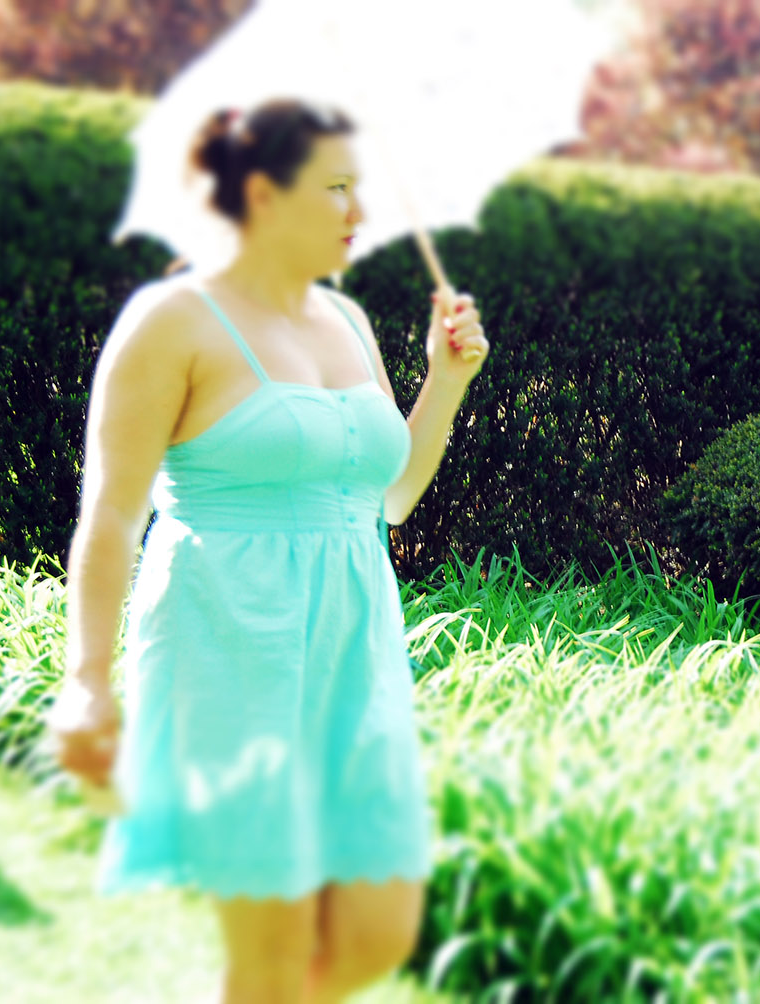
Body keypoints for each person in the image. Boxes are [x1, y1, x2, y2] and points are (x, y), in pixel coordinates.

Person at [43, 99, 489, 1003]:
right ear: (261, 194)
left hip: (353, 648)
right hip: (232, 647)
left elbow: (389, 500)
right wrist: (87, 679)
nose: (359, 212)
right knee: (271, 956)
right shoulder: (172, 321)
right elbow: (110, 516)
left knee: (376, 933)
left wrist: (446, 384)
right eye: (335, 187)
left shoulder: (348, 322)